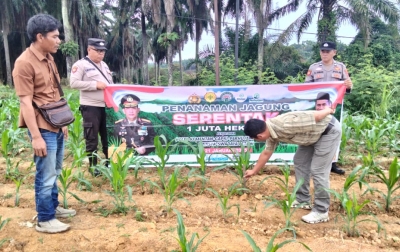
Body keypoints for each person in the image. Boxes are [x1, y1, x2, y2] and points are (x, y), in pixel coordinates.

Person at [13, 14, 76, 233]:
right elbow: (25, 103)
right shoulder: (23, 64)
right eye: (55, 36)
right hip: (41, 126)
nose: (59, 40)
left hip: (56, 122)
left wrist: (63, 120)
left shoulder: (49, 57)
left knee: (55, 170)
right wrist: (36, 137)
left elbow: (55, 92)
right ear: (40, 37)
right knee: (46, 173)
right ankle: (45, 219)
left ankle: (53, 207)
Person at [244, 106, 341, 224]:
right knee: (300, 161)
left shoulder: (286, 124)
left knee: (318, 170)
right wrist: (253, 171)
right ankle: (302, 199)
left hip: (327, 132)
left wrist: (329, 109)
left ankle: (321, 211)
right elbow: (266, 153)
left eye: (255, 138)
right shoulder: (270, 132)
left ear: (259, 136)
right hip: (311, 136)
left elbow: (317, 116)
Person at [305, 41, 352, 175]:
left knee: (333, 132)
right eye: (322, 51)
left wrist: (349, 85)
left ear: (334, 52)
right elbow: (306, 87)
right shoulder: (313, 68)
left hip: (334, 107)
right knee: (315, 132)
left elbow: (347, 87)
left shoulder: (341, 67)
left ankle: (332, 163)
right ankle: (314, 161)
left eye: (328, 51)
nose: (324, 54)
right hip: (318, 107)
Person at [70, 38, 113, 174]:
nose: (101, 54)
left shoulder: (104, 65)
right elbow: (74, 83)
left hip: (106, 106)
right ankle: (93, 167)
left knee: (108, 136)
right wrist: (94, 85)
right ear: (89, 49)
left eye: (103, 51)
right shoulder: (80, 65)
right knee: (92, 137)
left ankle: (109, 164)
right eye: (98, 51)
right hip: (90, 107)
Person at [315, 92, 345, 175]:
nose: (320, 108)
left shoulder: (332, 123)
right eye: (318, 105)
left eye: (323, 104)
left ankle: (332, 165)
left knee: (318, 169)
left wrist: (348, 87)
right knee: (300, 160)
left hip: (330, 134)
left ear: (329, 105)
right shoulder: (312, 116)